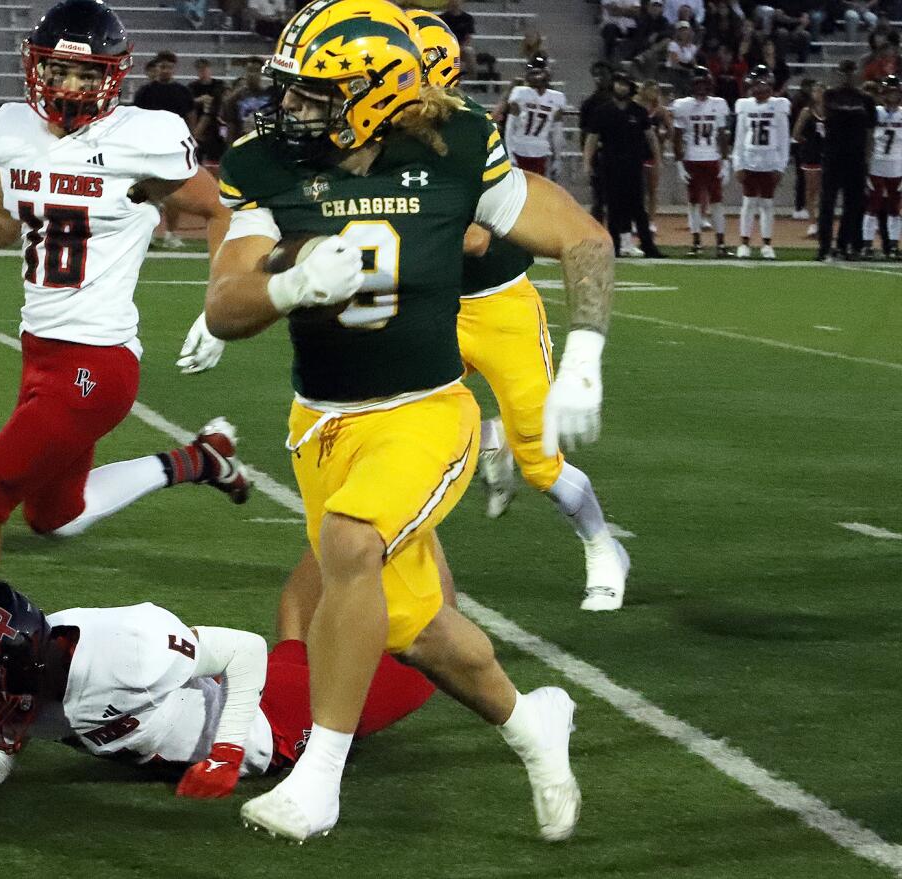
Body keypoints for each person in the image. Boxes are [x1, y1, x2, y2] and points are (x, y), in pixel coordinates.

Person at [205, 0, 617, 842]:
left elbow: (582, 236)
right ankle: (533, 721)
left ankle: (318, 781)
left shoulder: (456, 144)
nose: (293, 109)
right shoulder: (265, 163)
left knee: (352, 544)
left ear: (375, 89)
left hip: (428, 409)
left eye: (316, 94)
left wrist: (583, 356)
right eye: (291, 90)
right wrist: (290, 284)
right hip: (321, 421)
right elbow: (223, 305)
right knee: (416, 627)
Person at [0, 0, 247, 698]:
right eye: (55, 67)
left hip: (96, 366)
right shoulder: (13, 131)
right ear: (34, 66)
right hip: (42, 353)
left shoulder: (141, 138)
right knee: (53, 514)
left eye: (83, 73)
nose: (66, 84)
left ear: (112, 78)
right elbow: (0, 219)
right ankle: (198, 458)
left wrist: (219, 305)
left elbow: (219, 208)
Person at [0, 581, 438, 793]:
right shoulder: (30, 666)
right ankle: (348, 522)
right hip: (216, 704)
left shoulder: (127, 650)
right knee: (303, 605)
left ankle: (395, 518)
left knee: (430, 652)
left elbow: (244, 649)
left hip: (279, 721)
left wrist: (228, 751)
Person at [585, 69, 663, 258]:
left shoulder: (639, 112)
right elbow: (592, 139)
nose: (621, 87)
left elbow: (650, 137)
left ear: (631, 87)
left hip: (634, 164)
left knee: (638, 207)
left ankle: (648, 245)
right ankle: (615, 245)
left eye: (625, 84)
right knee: (613, 206)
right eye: (618, 83)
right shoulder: (602, 111)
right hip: (610, 164)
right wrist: (586, 162)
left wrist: (658, 159)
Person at [134, 51, 197, 248]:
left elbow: (190, 115)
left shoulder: (182, 91)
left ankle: (171, 234)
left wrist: (191, 139)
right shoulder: (145, 92)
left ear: (173, 69)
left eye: (169, 67)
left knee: (173, 193)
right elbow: (136, 120)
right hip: (150, 147)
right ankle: (148, 234)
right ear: (156, 68)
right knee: (146, 192)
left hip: (175, 149)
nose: (165, 70)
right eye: (162, 67)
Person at [816, 59, 878, 259]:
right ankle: (824, 246)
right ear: (838, 73)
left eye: (851, 73)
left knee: (854, 205)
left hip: (856, 157)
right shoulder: (830, 96)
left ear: (857, 74)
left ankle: (845, 244)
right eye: (844, 73)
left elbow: (870, 132)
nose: (848, 76)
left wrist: (868, 159)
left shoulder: (866, 100)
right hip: (833, 156)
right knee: (827, 203)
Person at [731, 65, 791, 259]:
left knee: (766, 204)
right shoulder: (745, 105)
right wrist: (737, 163)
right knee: (748, 203)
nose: (759, 88)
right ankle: (744, 243)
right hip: (749, 159)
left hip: (769, 160)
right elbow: (739, 137)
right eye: (756, 84)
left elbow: (783, 138)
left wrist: (780, 166)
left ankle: (766, 244)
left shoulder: (779, 104)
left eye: (762, 84)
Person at [672, 66, 733, 256]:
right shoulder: (683, 105)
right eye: (697, 84)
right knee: (694, 203)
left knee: (717, 202)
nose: (701, 88)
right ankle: (696, 243)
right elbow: (677, 136)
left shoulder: (719, 104)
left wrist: (726, 161)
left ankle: (721, 244)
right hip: (692, 158)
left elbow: (722, 135)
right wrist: (679, 163)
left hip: (711, 157)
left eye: (704, 84)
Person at [503, 56, 566, 179]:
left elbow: (557, 132)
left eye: (539, 73)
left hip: (541, 151)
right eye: (533, 73)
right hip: (519, 148)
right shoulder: (520, 93)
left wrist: (557, 158)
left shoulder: (557, 98)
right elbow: (510, 127)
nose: (536, 77)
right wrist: (510, 154)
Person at [863, 74, 902, 258]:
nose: (892, 95)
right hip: (877, 161)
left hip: (897, 163)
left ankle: (894, 245)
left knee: (895, 206)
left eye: (895, 92)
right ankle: (867, 244)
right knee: (873, 204)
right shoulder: (875, 111)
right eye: (889, 91)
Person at [578, 61, 615, 224]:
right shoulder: (589, 104)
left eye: (604, 74)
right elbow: (584, 133)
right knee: (598, 197)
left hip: (617, 152)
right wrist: (587, 157)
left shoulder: (619, 102)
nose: (601, 79)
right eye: (597, 75)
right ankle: (596, 230)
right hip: (599, 154)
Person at [635, 79, 671, 230]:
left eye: (656, 91)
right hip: (636, 152)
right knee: (638, 190)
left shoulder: (660, 111)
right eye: (651, 90)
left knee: (652, 189)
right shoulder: (635, 108)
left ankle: (651, 221)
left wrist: (663, 138)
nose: (654, 93)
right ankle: (636, 220)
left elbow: (671, 129)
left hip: (652, 153)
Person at [792, 80, 826, 237]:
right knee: (811, 189)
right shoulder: (807, 112)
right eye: (816, 91)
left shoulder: (831, 112)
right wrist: (808, 143)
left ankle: (823, 222)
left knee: (824, 190)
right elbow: (796, 133)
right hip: (812, 154)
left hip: (827, 154)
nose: (818, 94)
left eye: (821, 91)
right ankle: (813, 223)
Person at [219, 56, 273, 145]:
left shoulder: (269, 96)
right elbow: (230, 127)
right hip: (242, 143)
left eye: (256, 71)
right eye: (250, 70)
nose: (252, 74)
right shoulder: (234, 98)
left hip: (264, 144)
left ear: (260, 73)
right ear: (245, 72)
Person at [188, 58, 227, 165]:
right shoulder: (192, 87)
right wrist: (200, 100)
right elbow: (188, 102)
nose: (203, 72)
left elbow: (223, 99)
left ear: (209, 69)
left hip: (216, 124)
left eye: (205, 69)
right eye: (200, 69)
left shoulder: (219, 84)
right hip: (198, 123)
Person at [440, 0, 477, 80]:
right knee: (457, 62)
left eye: (457, 1)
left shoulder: (467, 18)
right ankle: (455, 80)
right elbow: (440, 36)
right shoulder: (442, 18)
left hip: (462, 46)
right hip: (447, 48)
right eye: (453, 1)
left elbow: (468, 36)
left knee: (469, 51)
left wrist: (462, 47)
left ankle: (473, 77)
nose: (455, 3)